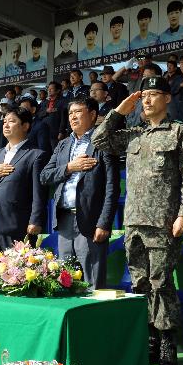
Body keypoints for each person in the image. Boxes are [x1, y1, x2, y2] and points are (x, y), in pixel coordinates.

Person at [92, 76, 183, 365]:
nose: (148, 100)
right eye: (144, 96)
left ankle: (168, 344)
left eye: (154, 94)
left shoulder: (180, 133)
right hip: (134, 222)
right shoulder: (133, 135)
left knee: (161, 282)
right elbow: (99, 140)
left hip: (163, 221)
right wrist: (119, 111)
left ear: (167, 98)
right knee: (140, 283)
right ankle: (149, 339)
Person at [41, 98, 119, 288]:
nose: (72, 117)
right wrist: (69, 167)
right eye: (70, 113)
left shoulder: (102, 142)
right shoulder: (63, 145)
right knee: (65, 279)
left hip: (90, 219)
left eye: (78, 112)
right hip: (65, 219)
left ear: (92, 115)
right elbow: (45, 176)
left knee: (91, 282)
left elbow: (112, 187)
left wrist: (104, 222)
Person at [0, 107, 47, 255]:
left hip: (17, 224)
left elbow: (39, 192)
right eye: (4, 122)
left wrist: (35, 221)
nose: (6, 125)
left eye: (12, 121)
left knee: (16, 274)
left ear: (25, 126)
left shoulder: (36, 155)